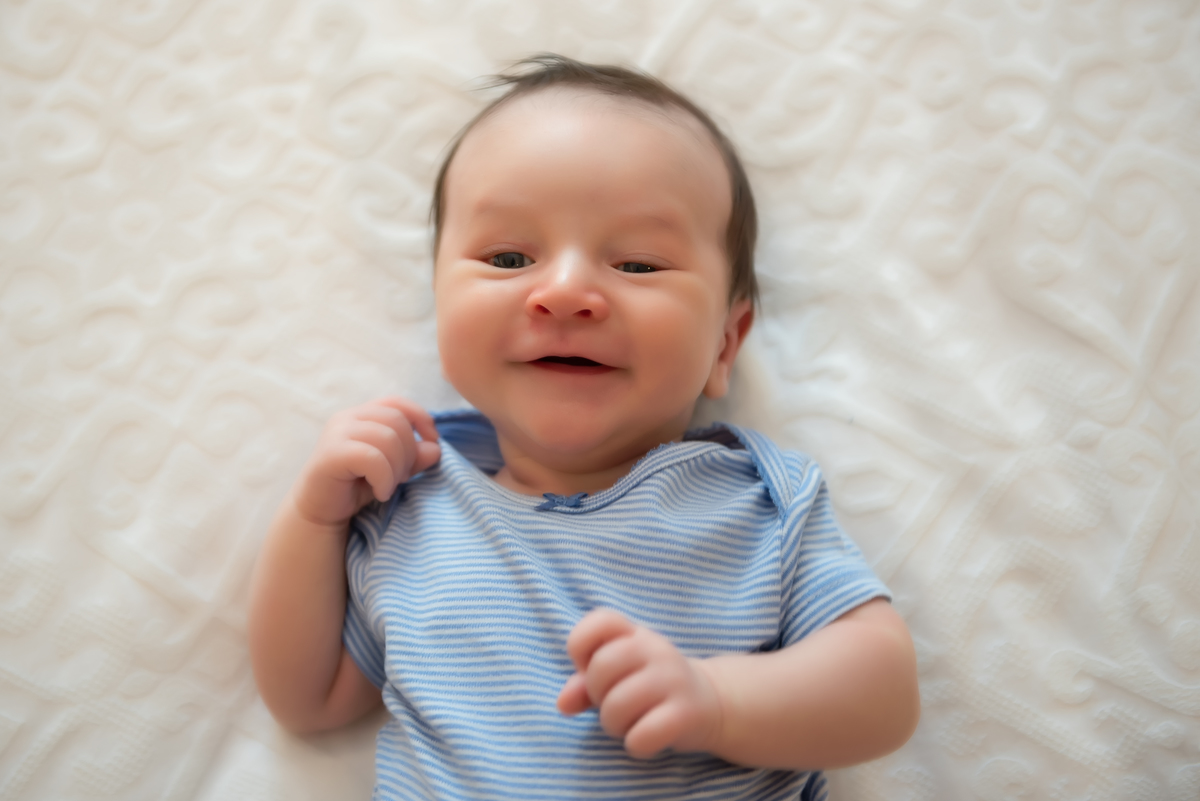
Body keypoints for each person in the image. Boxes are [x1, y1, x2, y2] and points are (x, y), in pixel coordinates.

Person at [248, 54, 919, 800]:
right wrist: (313, 521)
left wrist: (719, 701)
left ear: (724, 345)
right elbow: (309, 701)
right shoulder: (410, 511)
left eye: (637, 264)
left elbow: (885, 695)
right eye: (509, 257)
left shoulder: (759, 502)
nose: (565, 291)